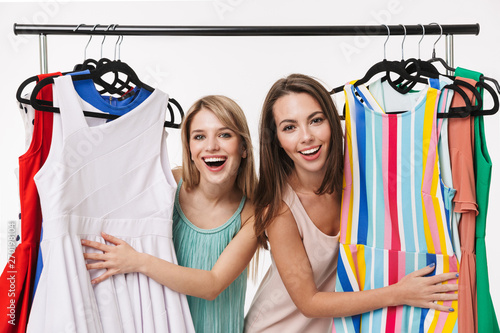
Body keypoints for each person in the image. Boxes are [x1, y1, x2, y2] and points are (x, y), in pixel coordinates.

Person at [244, 74, 459, 332]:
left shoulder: (358, 171)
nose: (306, 137)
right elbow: (309, 303)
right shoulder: (280, 209)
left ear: (333, 122)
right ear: (277, 139)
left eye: (316, 120)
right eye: (290, 127)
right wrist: (399, 293)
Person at [82, 95, 258, 333]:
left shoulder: (252, 213)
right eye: (199, 136)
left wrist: (138, 261)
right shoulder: (167, 184)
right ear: (190, 149)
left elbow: (212, 285)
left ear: (244, 148)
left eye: (224, 134)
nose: (211, 146)